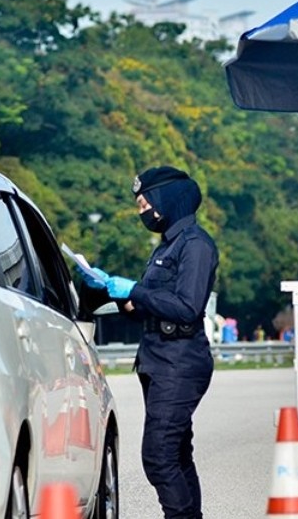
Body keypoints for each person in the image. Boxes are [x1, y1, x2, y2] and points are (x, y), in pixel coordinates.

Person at [78, 166, 218, 519]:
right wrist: (118, 295)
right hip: (157, 360)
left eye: (145, 202)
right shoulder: (166, 247)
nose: (143, 211)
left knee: (158, 455)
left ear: (165, 199)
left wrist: (135, 290)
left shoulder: (196, 245)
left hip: (181, 361)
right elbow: (150, 308)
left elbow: (188, 307)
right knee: (177, 453)